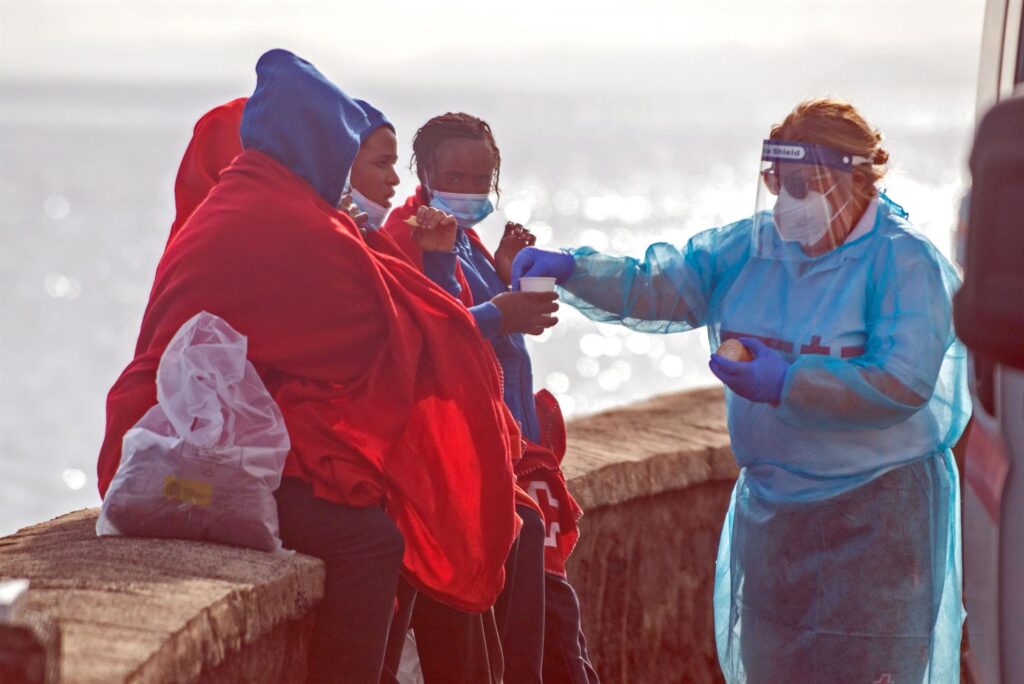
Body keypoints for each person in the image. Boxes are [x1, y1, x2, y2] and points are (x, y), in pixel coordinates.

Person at [97, 50, 521, 684]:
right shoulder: (294, 221)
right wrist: (491, 317)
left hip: (174, 436)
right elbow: (381, 332)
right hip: (198, 461)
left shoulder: (244, 196)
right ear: (317, 141)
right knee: (375, 539)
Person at [512, 98, 970, 683]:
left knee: (868, 666)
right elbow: (658, 286)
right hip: (776, 518)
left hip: (878, 522)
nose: (788, 202)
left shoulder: (903, 263)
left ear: (854, 180)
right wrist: (576, 268)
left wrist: (788, 380)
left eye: (805, 185)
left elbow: (902, 382)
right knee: (774, 663)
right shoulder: (753, 247)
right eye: (779, 183)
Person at [382, 113, 597, 684]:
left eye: (484, 180)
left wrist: (502, 280)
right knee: (544, 638)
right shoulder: (410, 235)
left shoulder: (465, 238)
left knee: (551, 629)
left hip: (515, 454)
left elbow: (481, 332)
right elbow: (427, 336)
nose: (472, 190)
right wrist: (501, 311)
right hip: (475, 462)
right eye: (456, 175)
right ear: (422, 172)